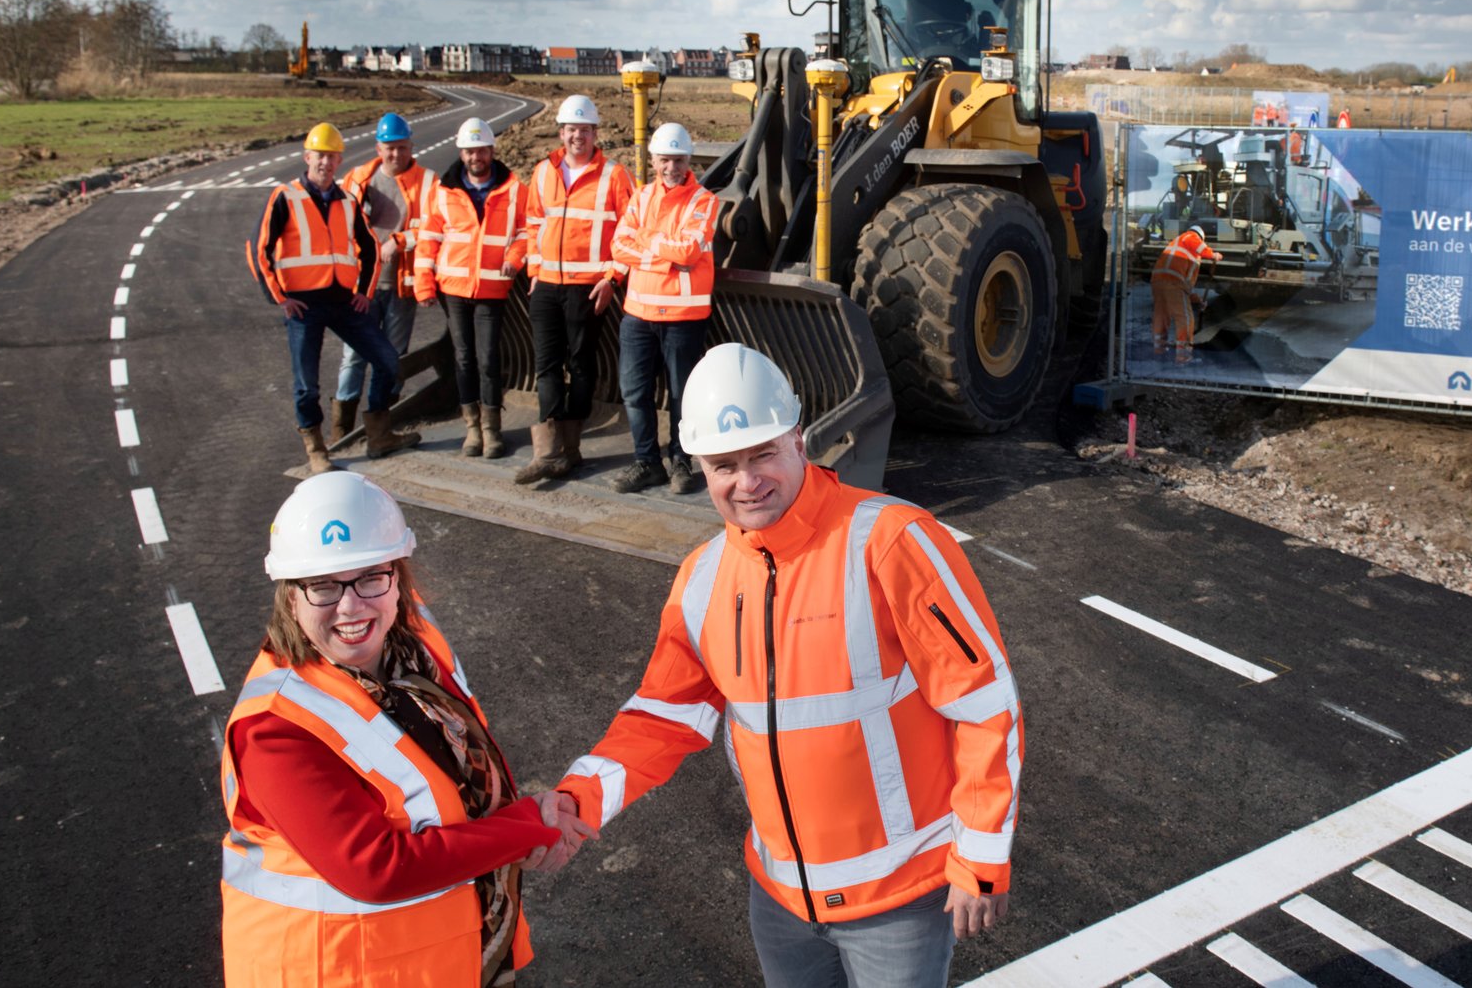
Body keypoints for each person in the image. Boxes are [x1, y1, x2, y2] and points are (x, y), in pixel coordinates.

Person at [539, 343, 1023, 987]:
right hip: (780, 902)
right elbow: (662, 717)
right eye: (724, 465)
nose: (748, 480)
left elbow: (985, 704)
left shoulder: (891, 541)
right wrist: (579, 799)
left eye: (764, 453)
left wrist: (982, 858)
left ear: (799, 440)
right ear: (701, 469)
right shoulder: (703, 578)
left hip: (899, 901)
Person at [219, 471, 593, 986]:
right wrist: (530, 825)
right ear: (291, 599)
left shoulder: (412, 643)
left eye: (371, 575)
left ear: (398, 576)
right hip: (337, 970)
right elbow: (377, 868)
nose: (352, 606)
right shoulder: (275, 729)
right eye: (324, 586)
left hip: (439, 954)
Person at [248, 122, 419, 474]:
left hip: (342, 300)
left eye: (332, 157)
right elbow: (258, 249)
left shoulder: (346, 201)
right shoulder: (286, 196)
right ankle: (316, 449)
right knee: (306, 384)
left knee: (387, 360)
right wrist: (279, 297)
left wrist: (363, 293)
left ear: (340, 159)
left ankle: (378, 434)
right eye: (320, 156)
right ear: (308, 157)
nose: (325, 163)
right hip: (302, 304)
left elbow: (370, 248)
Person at [515, 95, 636, 486]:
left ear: (595, 133)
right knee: (547, 366)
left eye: (584, 130)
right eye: (570, 130)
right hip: (547, 285)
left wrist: (612, 278)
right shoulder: (542, 172)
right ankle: (548, 452)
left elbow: (631, 231)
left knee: (581, 366)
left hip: (589, 288)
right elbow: (533, 224)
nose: (576, 136)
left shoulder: (615, 176)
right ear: (561, 133)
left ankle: (571, 448)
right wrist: (534, 269)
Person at [608, 122, 717, 495]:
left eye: (679, 160)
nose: (672, 167)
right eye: (665, 160)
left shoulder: (703, 201)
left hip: (683, 318)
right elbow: (618, 247)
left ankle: (682, 462)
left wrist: (647, 239)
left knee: (681, 395)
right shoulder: (640, 198)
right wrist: (664, 255)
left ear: (689, 161)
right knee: (635, 393)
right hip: (638, 314)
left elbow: (689, 251)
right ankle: (647, 462)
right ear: (653, 160)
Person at [416, 118, 527, 460]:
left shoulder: (513, 189)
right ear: (462, 154)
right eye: (469, 151)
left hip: (492, 288)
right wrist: (423, 285)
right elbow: (429, 238)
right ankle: (472, 429)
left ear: (492, 151)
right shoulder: (443, 191)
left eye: (481, 150)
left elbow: (526, 231)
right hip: (454, 288)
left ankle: (493, 430)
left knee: (489, 358)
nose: (475, 156)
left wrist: (516, 256)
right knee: (463, 358)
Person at [332, 112, 435, 444]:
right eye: (389, 148)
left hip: (401, 284)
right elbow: (338, 226)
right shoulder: (358, 180)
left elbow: (435, 226)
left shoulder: (428, 182)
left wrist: (399, 240)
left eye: (402, 148)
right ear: (378, 147)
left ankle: (380, 427)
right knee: (354, 355)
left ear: (411, 146)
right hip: (364, 285)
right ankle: (342, 430)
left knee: (391, 357)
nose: (396, 155)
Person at [1149, 224, 1220, 364]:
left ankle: (1159, 351)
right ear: (1201, 237)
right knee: (1186, 318)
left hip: (1158, 282)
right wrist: (1213, 254)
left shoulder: (1180, 248)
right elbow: (1199, 246)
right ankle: (1184, 357)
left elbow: (1186, 289)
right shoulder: (1189, 236)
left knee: (1161, 315)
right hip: (1173, 283)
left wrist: (1199, 301)